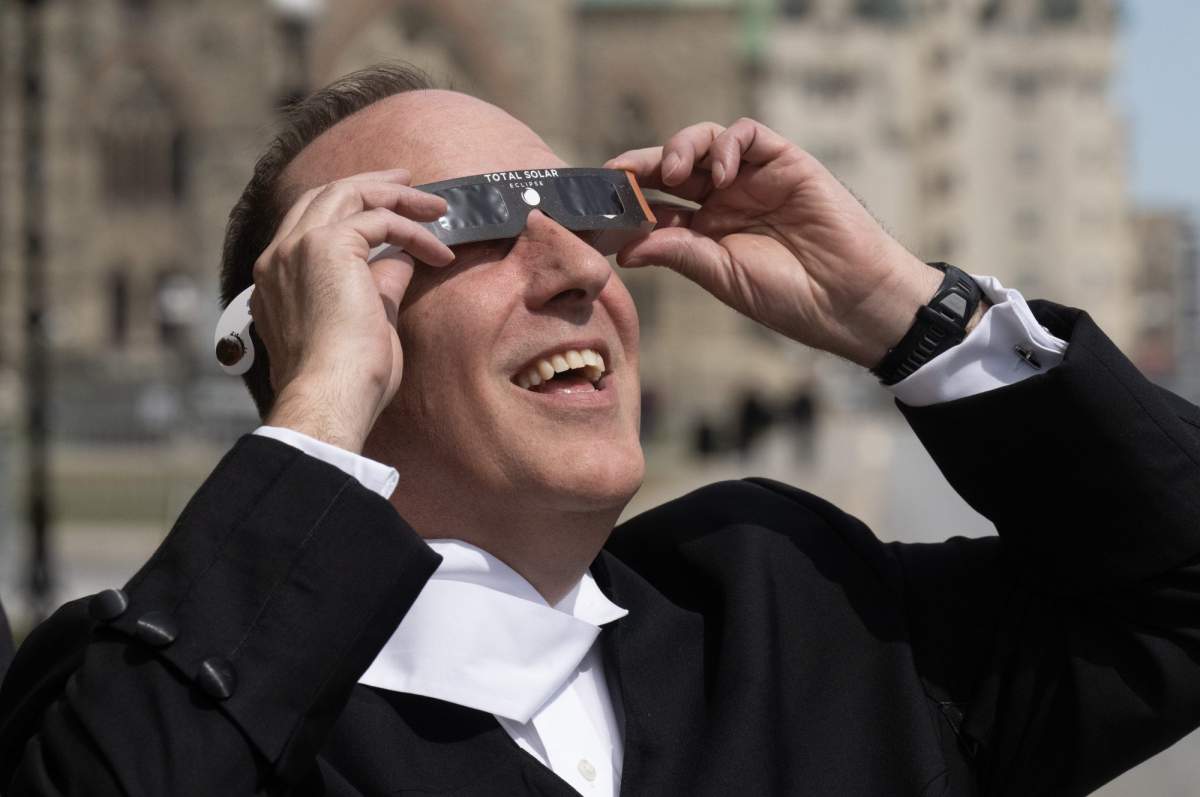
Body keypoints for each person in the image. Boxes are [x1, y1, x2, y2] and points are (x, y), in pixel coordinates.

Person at [1, 62, 1198, 796]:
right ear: (321, 318)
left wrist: (899, 307)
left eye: (582, 207)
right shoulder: (172, 700)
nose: (581, 265)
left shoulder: (796, 607)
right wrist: (318, 409)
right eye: (459, 225)